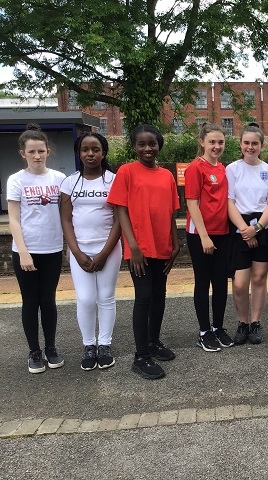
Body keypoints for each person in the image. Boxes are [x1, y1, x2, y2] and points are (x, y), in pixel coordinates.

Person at [107, 124, 180, 380]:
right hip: (139, 247)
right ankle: (141, 357)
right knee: (144, 296)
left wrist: (175, 241)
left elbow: (171, 211)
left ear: (159, 145)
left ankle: (153, 342)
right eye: (142, 144)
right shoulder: (126, 171)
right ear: (134, 146)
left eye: (152, 144)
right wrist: (133, 246)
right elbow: (121, 210)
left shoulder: (167, 176)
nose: (147, 148)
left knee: (159, 295)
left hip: (162, 245)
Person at [7, 124, 66, 374]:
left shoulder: (59, 179)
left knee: (48, 300)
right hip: (26, 251)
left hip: (52, 248)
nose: (37, 156)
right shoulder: (16, 180)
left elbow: (66, 214)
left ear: (48, 151)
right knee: (30, 302)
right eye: (31, 151)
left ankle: (51, 348)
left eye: (41, 150)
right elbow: (13, 219)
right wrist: (23, 252)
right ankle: (34, 351)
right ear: (23, 153)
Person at [60, 133, 122, 371]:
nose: (90, 154)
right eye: (85, 149)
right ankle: (89, 344)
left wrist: (104, 253)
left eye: (95, 149)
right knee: (85, 299)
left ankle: (104, 344)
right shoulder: (70, 182)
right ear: (79, 153)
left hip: (108, 249)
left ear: (103, 152)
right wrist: (76, 252)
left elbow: (118, 220)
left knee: (106, 297)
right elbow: (66, 220)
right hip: (80, 250)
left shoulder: (112, 180)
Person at [227, 125, 268, 345]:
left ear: (261, 145)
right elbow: (228, 202)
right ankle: (242, 322)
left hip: (263, 226)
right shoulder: (231, 169)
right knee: (239, 283)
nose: (250, 147)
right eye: (246, 143)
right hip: (238, 225)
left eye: (254, 143)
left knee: (259, 277)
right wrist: (244, 230)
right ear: (240, 144)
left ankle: (255, 323)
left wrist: (256, 228)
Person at [184, 123, 234, 352]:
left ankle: (218, 327)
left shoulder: (223, 168)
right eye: (212, 142)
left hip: (222, 232)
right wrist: (204, 236)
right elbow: (192, 203)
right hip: (201, 235)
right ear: (202, 142)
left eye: (220, 142)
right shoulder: (195, 168)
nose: (216, 146)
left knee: (221, 283)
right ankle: (204, 331)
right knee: (203, 282)